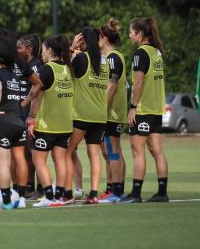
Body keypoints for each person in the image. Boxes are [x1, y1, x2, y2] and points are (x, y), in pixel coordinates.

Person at [122, 18, 170, 203]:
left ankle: (136, 194)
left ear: (140, 34)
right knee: (157, 150)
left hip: (143, 109)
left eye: (131, 32)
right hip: (157, 108)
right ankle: (162, 192)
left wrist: (133, 107)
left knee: (137, 151)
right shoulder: (156, 52)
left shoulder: (140, 53)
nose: (129, 35)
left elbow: (139, 82)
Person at [27, 35, 74, 207]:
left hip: (48, 124)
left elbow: (36, 96)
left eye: (43, 50)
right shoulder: (69, 68)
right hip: (65, 124)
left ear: (50, 51)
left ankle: (49, 195)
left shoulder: (47, 69)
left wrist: (31, 118)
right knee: (60, 159)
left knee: (39, 160)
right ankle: (59, 196)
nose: (42, 54)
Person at [65, 27, 109, 205]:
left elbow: (63, 70)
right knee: (94, 155)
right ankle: (93, 194)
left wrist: (71, 48)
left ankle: (67, 192)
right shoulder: (105, 61)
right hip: (99, 116)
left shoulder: (82, 59)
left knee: (66, 154)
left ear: (82, 40)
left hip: (81, 115)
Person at [0, 42, 28, 210]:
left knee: (3, 164)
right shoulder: (14, 75)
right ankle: (19, 196)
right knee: (19, 160)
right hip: (18, 122)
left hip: (3, 122)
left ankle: (6, 201)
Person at [98, 19, 128, 203]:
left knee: (113, 152)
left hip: (111, 113)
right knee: (113, 151)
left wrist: (102, 109)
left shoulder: (112, 58)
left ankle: (116, 193)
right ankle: (114, 189)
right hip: (115, 112)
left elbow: (112, 87)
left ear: (104, 38)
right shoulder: (116, 56)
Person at [18, 34, 44, 198]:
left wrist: (31, 114)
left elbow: (38, 91)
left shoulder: (36, 66)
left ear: (29, 49)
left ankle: (42, 188)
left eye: (19, 47)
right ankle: (29, 185)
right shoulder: (23, 65)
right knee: (27, 153)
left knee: (35, 152)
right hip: (23, 114)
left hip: (32, 115)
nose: (16, 50)